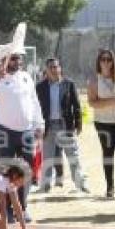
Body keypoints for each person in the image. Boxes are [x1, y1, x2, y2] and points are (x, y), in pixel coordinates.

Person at [0, 51, 44, 220]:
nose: (19, 61)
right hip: (5, 131)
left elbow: (34, 101)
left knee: (24, 172)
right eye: (14, 58)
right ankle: (6, 209)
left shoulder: (26, 77)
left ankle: (22, 207)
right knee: (5, 172)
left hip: (27, 131)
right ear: (6, 61)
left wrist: (39, 124)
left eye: (20, 58)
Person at [36, 58, 89, 193]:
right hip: (48, 127)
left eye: (56, 67)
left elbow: (76, 105)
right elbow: (36, 108)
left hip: (65, 126)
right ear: (46, 70)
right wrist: (37, 126)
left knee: (73, 156)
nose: (54, 70)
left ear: (60, 68)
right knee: (47, 157)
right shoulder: (40, 87)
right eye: (51, 67)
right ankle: (45, 185)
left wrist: (78, 124)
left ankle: (81, 184)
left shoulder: (69, 84)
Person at [88, 49, 115, 199]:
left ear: (113, 61)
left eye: (108, 59)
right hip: (103, 123)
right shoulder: (94, 81)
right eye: (102, 59)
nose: (106, 62)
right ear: (98, 62)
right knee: (108, 153)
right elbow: (92, 103)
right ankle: (110, 187)